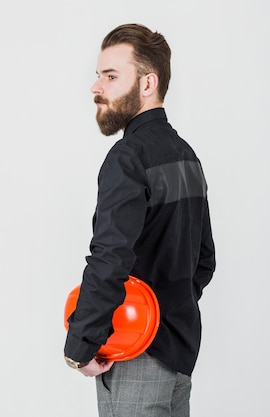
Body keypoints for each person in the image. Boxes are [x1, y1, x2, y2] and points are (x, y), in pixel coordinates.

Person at [63, 23, 216, 417]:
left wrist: (80, 349)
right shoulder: (187, 156)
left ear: (148, 84)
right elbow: (204, 261)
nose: (96, 87)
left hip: (135, 357)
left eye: (111, 76)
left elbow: (110, 259)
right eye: (98, 75)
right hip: (178, 358)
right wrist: (167, 313)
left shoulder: (128, 158)